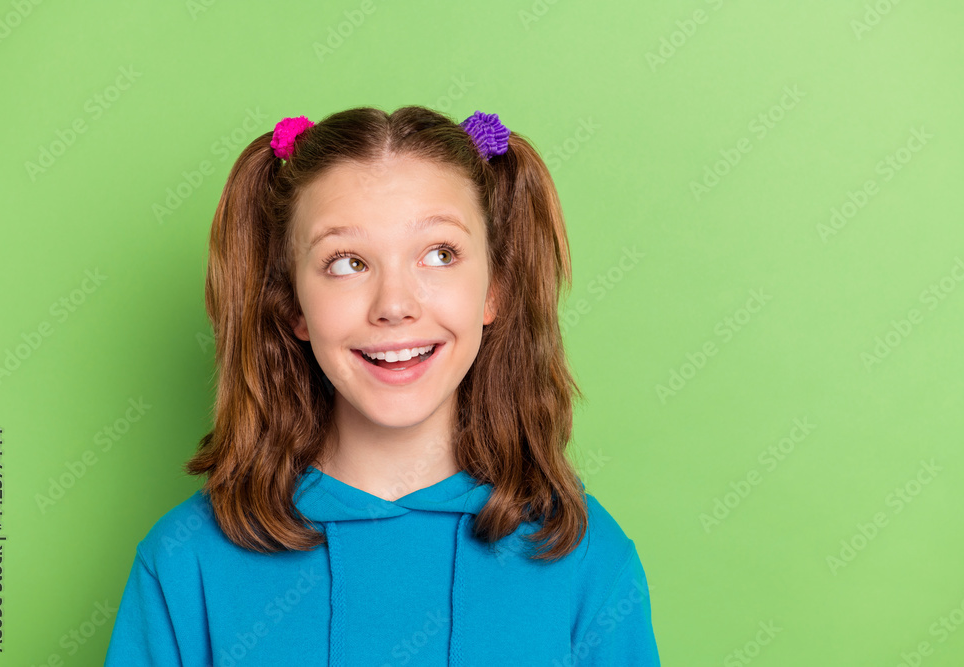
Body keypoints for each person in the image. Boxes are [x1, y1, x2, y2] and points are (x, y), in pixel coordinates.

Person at [103, 106, 660, 666]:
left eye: (440, 255)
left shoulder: (587, 559)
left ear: (495, 288)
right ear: (292, 302)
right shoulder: (184, 563)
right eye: (346, 263)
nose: (394, 305)